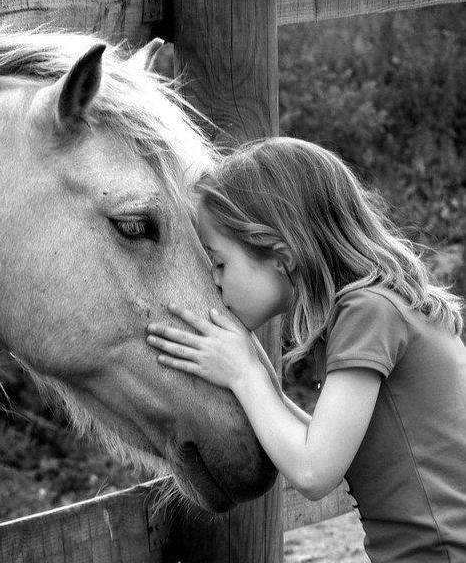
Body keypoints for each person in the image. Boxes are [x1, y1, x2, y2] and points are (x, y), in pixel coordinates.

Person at [146, 137, 466, 562]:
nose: (215, 283)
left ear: (281, 255)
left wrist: (246, 372)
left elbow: (314, 472)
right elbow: (325, 450)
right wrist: (251, 384)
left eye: (219, 262)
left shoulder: (367, 312)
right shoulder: (379, 306)